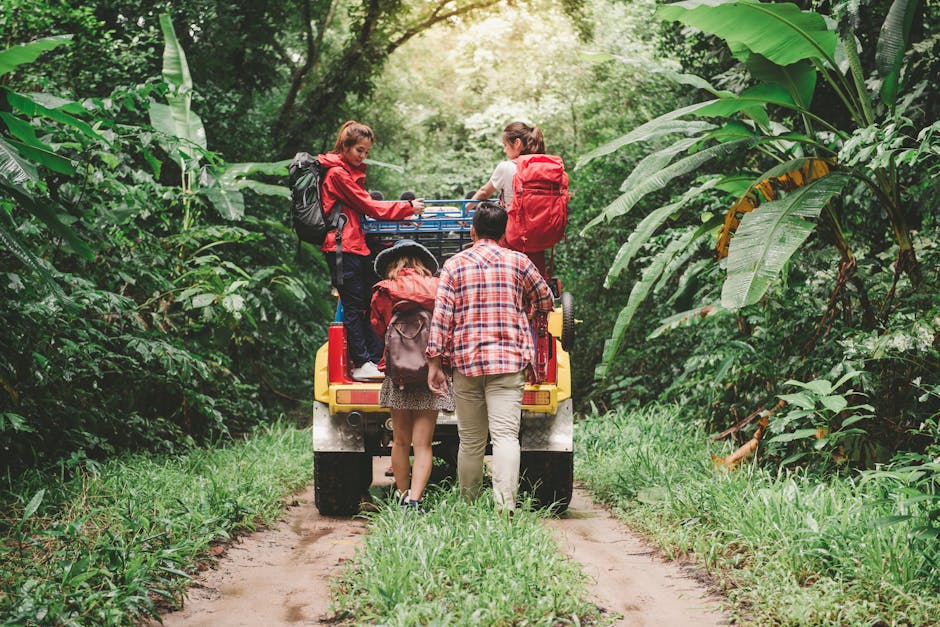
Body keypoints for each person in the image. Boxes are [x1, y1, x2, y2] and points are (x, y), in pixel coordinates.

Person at [426, 202, 554, 513]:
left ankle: (469, 506)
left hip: (467, 364)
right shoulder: (518, 262)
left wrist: (434, 362)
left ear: (472, 231)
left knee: (470, 441)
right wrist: (530, 305)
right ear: (505, 231)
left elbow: (442, 317)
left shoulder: (454, 265)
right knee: (506, 436)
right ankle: (505, 506)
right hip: (509, 362)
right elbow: (547, 298)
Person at [319, 120, 426, 381]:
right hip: (342, 247)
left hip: (354, 246)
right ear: (344, 147)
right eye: (359, 150)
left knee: (367, 300)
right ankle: (361, 362)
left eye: (366, 152)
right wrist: (408, 208)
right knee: (354, 306)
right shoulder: (337, 175)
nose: (363, 156)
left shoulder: (344, 172)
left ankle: (373, 358)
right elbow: (370, 206)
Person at [371, 239, 454, 510]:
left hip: (398, 375)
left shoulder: (384, 290)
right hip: (431, 371)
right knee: (423, 444)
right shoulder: (437, 287)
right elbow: (446, 325)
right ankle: (415, 501)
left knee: (400, 440)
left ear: (393, 264)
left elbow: (378, 327)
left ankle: (402, 494)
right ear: (422, 264)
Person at [467, 121, 549, 276]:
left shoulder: (507, 167)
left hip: (514, 236)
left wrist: (465, 209)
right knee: (536, 279)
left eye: (505, 145)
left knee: (508, 279)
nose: (505, 150)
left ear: (517, 143)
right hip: (539, 236)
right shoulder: (543, 168)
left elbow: (484, 192)